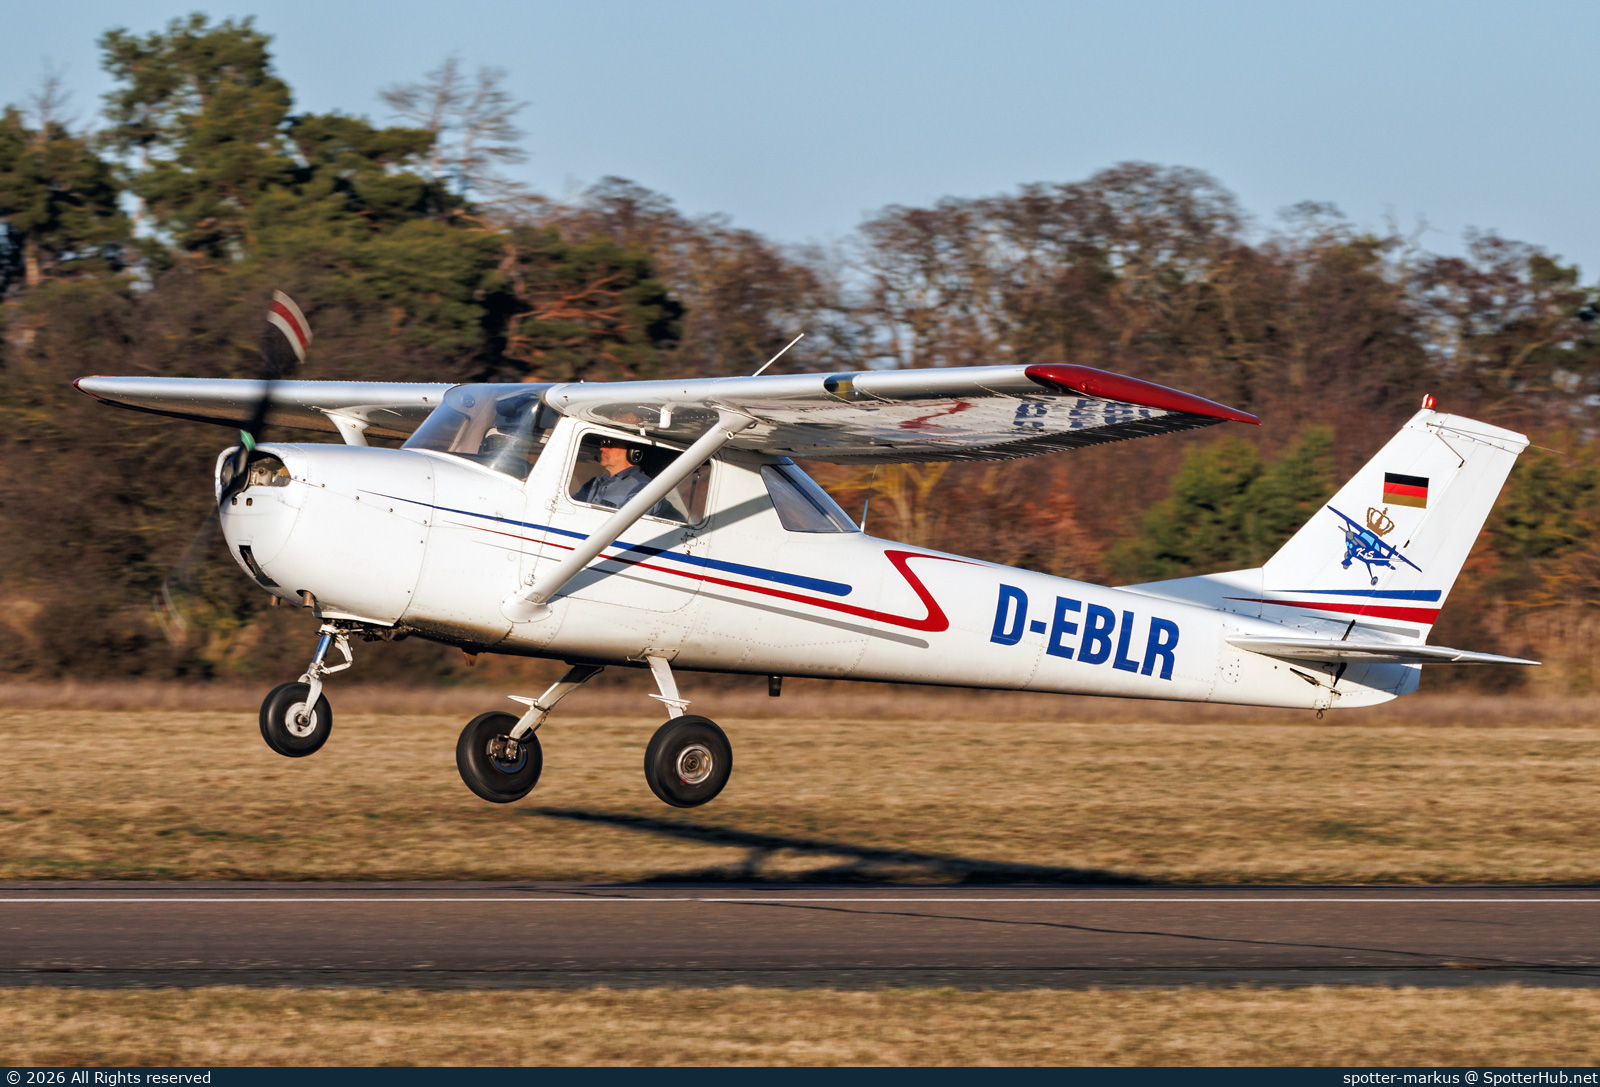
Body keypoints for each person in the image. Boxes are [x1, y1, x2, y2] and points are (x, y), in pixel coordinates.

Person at [573, 435, 651, 509]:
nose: (602, 448)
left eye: (610, 444)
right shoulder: (595, 482)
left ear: (633, 452)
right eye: (602, 443)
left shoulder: (643, 487)